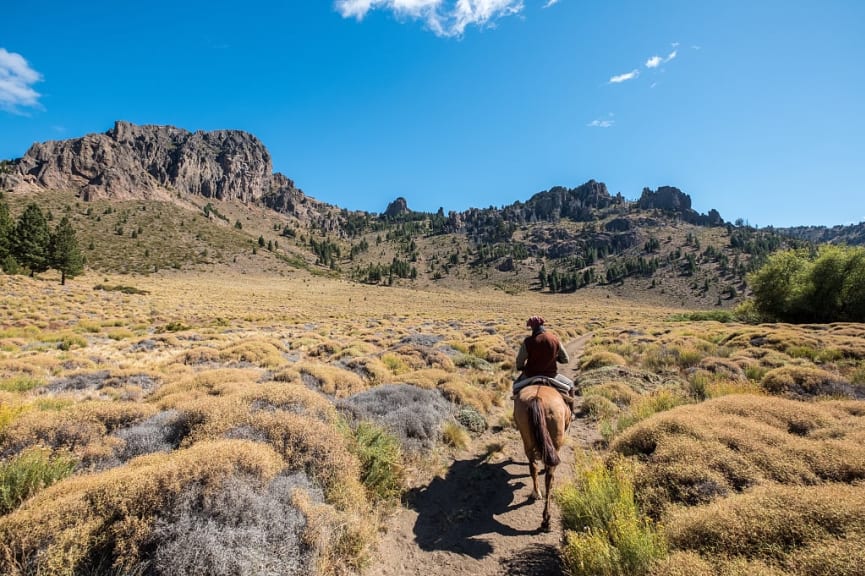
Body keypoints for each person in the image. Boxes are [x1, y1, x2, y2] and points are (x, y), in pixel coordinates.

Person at [513, 316, 578, 413]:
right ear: (543, 325)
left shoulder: (528, 341)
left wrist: (520, 367)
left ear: (532, 327)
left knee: (515, 386)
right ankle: (571, 412)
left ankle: (517, 413)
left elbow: (520, 361)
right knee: (570, 385)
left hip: (530, 375)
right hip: (551, 376)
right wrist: (555, 358)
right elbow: (565, 359)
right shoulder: (554, 339)